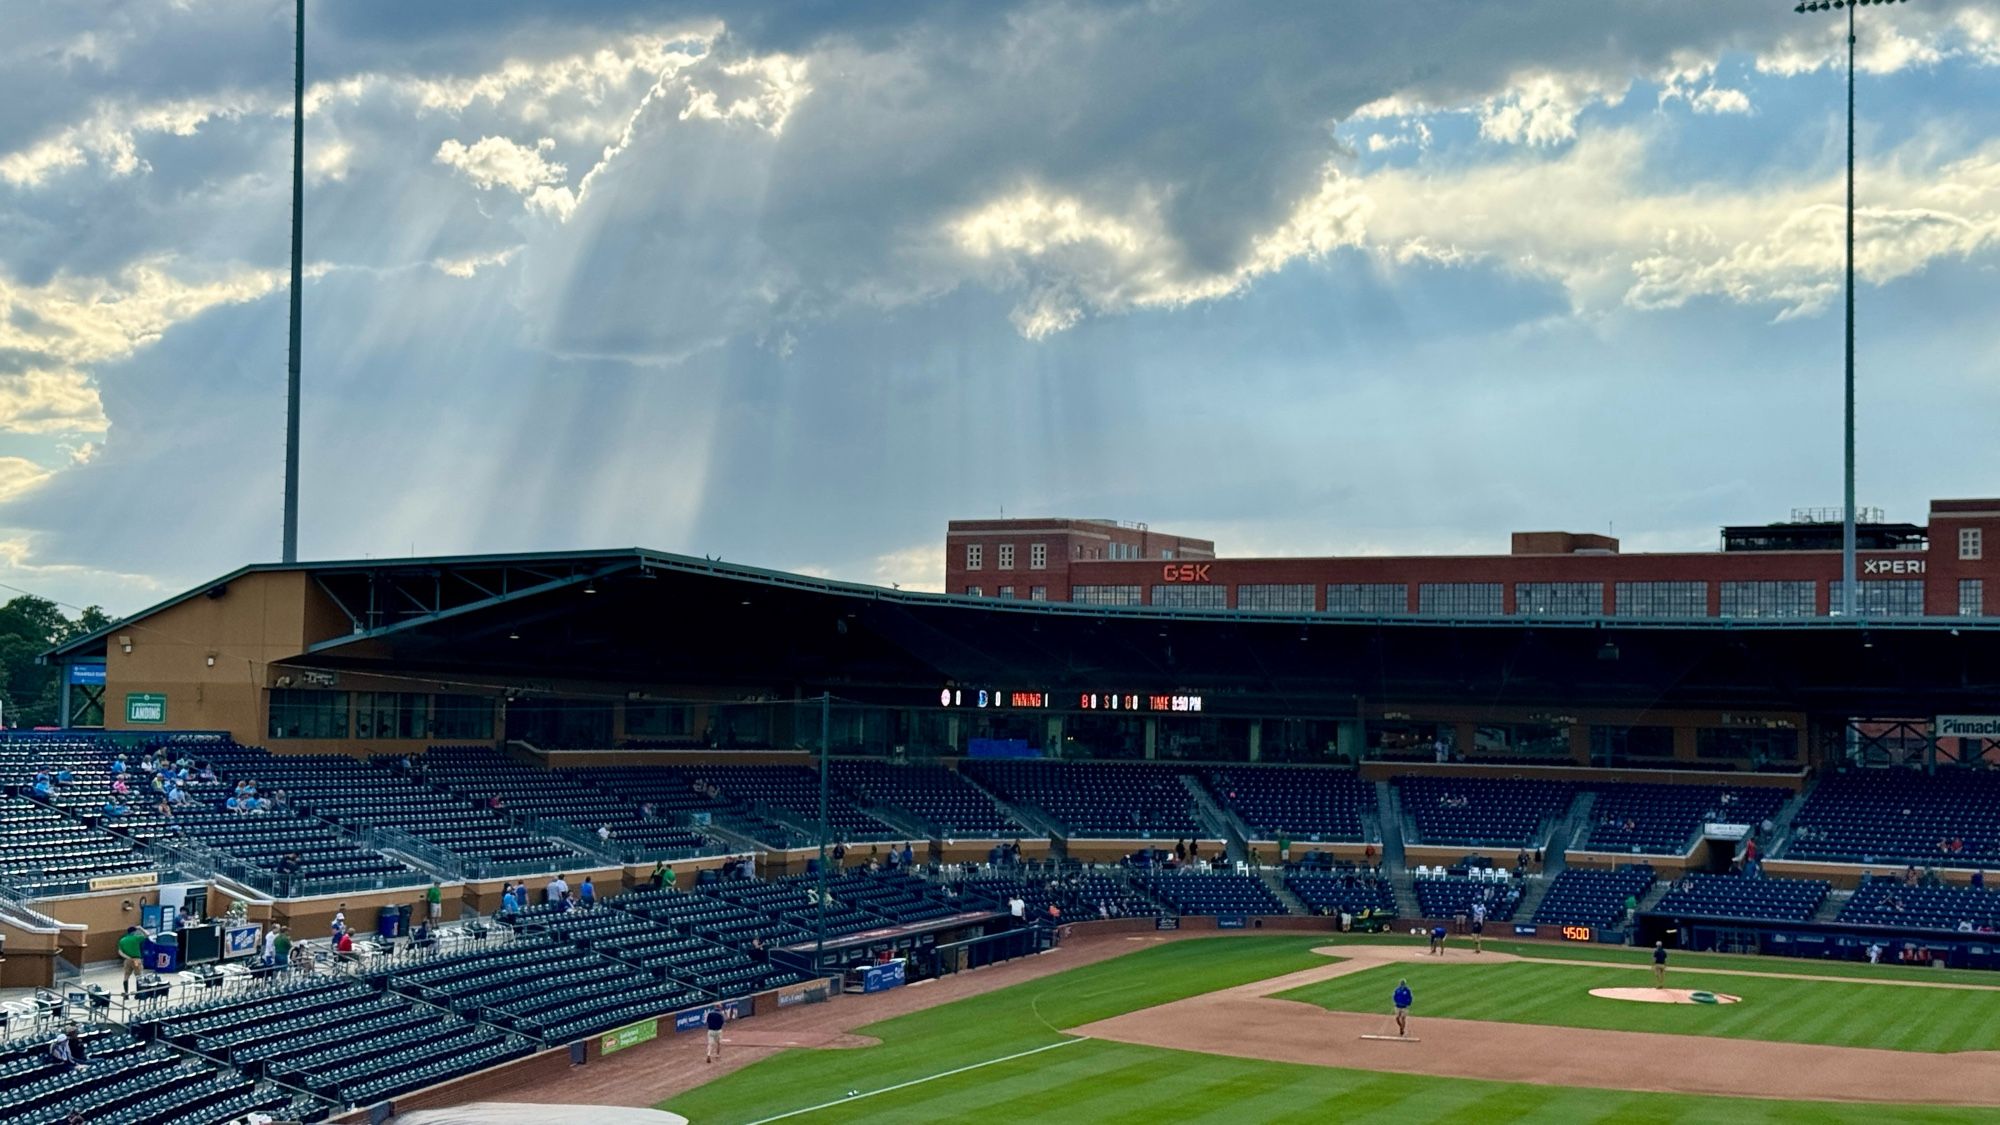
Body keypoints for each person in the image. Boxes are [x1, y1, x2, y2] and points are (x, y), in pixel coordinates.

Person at [118, 925, 147, 997]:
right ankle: (138, 994)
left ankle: (126, 994)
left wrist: (128, 957)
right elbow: (147, 934)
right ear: (134, 932)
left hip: (127, 960)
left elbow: (120, 952)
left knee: (126, 976)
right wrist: (141, 928)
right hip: (136, 960)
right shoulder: (136, 938)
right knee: (139, 976)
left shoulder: (122, 940)